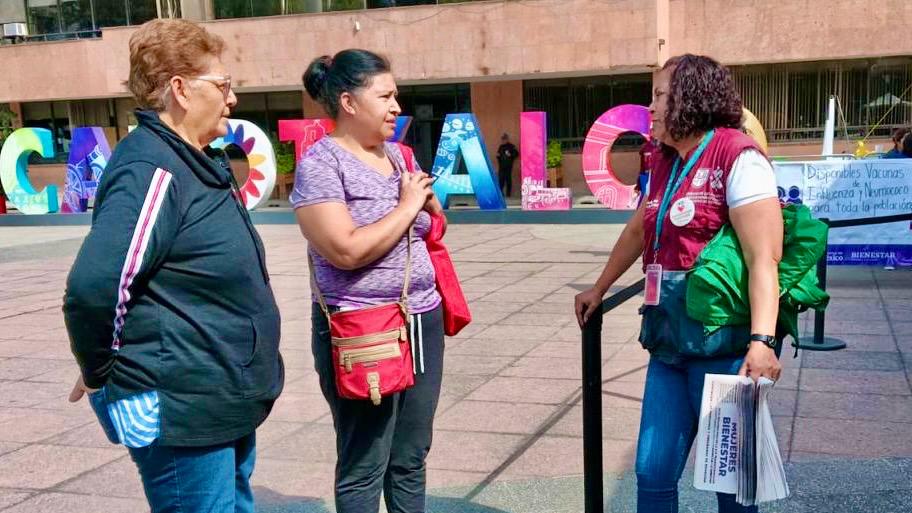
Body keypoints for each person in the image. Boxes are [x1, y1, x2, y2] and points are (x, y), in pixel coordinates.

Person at [63, 19, 283, 513]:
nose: (232, 99)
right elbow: (95, 286)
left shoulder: (195, 160)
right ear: (181, 90)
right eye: (223, 85)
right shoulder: (152, 169)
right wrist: (99, 370)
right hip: (183, 406)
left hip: (220, 397)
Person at [574, 54, 783, 513]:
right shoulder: (666, 160)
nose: (650, 108)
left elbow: (764, 258)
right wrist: (600, 288)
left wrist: (762, 342)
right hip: (669, 344)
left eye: (660, 95)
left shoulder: (737, 156)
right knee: (652, 473)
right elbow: (638, 228)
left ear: (692, 98)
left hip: (724, 349)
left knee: (732, 483)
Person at [292, 49, 445, 513]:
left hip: (421, 318)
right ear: (349, 102)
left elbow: (429, 229)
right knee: (365, 461)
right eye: (385, 96)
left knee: (411, 456)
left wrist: (428, 206)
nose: (396, 107)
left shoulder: (398, 157)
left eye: (396, 95)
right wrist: (407, 206)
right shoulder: (322, 164)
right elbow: (345, 250)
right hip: (362, 329)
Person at [496, 132, 519, 197]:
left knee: (508, 179)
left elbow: (517, 154)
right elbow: (498, 155)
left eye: (504, 139)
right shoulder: (501, 146)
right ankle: (501, 194)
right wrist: (498, 156)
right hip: (501, 166)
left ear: (507, 139)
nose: (503, 140)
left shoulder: (511, 146)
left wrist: (510, 155)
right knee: (501, 180)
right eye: (502, 139)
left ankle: (508, 194)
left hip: (508, 166)